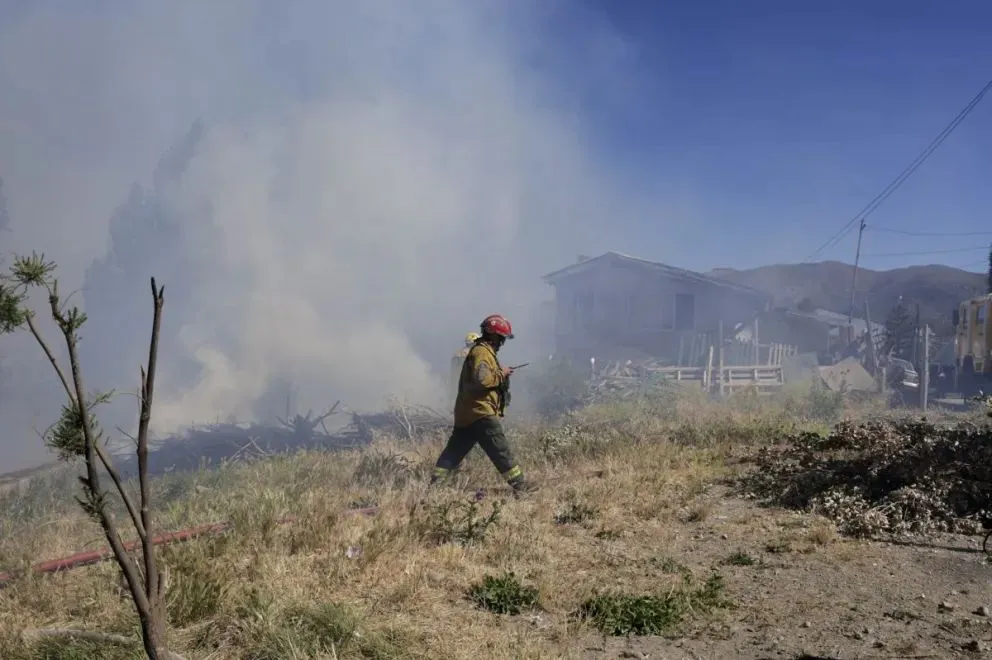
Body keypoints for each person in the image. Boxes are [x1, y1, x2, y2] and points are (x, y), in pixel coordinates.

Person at [430, 314, 538, 494]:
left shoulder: (482, 352)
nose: (502, 343)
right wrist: (501, 373)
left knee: (454, 452)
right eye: (501, 338)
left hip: (467, 412)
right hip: (480, 411)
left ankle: (434, 487)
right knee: (499, 448)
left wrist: (501, 372)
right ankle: (520, 486)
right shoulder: (481, 352)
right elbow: (482, 380)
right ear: (494, 336)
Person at [450, 332, 481, 397]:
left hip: (456, 384)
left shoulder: (457, 353)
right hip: (469, 385)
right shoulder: (475, 354)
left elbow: (453, 371)